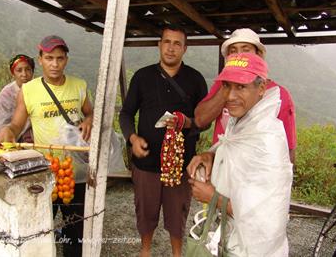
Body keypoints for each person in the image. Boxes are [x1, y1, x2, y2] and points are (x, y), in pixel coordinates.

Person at [0, 35, 93, 257]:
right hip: (44, 172)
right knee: (40, 230)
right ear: (40, 59)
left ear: (66, 60)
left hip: (75, 172)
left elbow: (90, 112)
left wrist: (88, 120)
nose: (55, 64)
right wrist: (8, 132)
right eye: (49, 58)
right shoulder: (29, 90)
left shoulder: (79, 85)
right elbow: (17, 124)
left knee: (75, 231)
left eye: (60, 58)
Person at [188, 53, 293, 256]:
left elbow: (266, 217)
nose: (229, 96)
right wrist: (210, 156)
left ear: (261, 89)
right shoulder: (243, 124)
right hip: (232, 241)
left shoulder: (267, 140)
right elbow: (233, 152)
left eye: (241, 87)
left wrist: (213, 197)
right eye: (227, 85)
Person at [119, 24, 208, 257]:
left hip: (180, 165)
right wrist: (133, 137)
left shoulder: (195, 80)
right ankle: (145, 250)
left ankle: (176, 254)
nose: (171, 48)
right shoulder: (142, 76)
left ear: (185, 49)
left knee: (177, 213)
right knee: (145, 212)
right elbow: (126, 113)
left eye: (177, 44)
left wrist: (187, 122)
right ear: (159, 45)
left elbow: (204, 120)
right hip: (146, 163)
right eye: (167, 42)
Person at [194, 28, 297, 163]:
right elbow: (200, 120)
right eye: (233, 51)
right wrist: (226, 85)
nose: (239, 55)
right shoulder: (221, 88)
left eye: (245, 50)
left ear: (258, 55)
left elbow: (288, 148)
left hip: (255, 175)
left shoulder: (279, 95)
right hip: (221, 170)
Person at [0, 54, 34, 141]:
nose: (24, 74)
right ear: (13, 74)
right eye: (19, 70)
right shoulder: (7, 93)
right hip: (5, 138)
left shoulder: (38, 89)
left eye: (28, 70)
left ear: (32, 72)